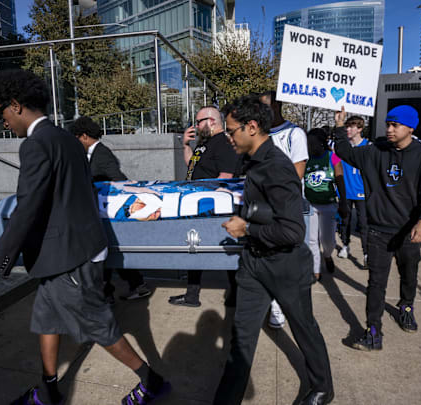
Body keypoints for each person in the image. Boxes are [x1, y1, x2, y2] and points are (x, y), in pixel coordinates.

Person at [0, 70, 169, 405]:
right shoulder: (67, 138)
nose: (3, 122)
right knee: (46, 320)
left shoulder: (36, 145)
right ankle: (49, 390)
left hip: (70, 258)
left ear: (17, 105)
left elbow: (26, 210)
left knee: (99, 327)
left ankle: (152, 381)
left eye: (1, 112)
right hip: (66, 253)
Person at [213, 95, 333, 405]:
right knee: (241, 336)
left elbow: (294, 232)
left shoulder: (278, 167)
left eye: (231, 131)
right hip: (254, 262)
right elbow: (256, 205)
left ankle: (322, 388)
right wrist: (243, 216)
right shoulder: (251, 160)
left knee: (303, 328)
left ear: (251, 127)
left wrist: (247, 228)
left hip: (286, 266)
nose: (229, 138)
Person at [332, 105, 421, 351]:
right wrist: (340, 126)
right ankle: (373, 331)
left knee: (409, 274)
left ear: (410, 128)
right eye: (388, 124)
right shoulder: (375, 152)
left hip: (408, 232)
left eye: (396, 125)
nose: (389, 129)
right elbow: (342, 151)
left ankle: (406, 307)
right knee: (376, 283)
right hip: (377, 231)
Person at [71, 116, 152, 304]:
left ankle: (110, 293)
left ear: (84, 136)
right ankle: (132, 286)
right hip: (100, 211)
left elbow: (118, 178)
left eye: (76, 138)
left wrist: (135, 191)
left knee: (106, 254)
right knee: (111, 254)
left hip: (106, 212)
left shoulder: (101, 153)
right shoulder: (92, 153)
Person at [169, 106, 241, 307]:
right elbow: (192, 167)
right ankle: (192, 295)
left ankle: (234, 294)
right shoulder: (205, 144)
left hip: (210, 207)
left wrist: (206, 202)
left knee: (224, 249)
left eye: (199, 121)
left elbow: (226, 176)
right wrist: (185, 145)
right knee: (194, 247)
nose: (196, 126)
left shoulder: (223, 144)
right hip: (198, 205)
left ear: (212, 121)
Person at [259, 90, 309, 329]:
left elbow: (298, 173)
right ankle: (268, 301)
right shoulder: (259, 134)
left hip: (285, 207)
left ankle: (279, 307)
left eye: (266, 107)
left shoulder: (295, 134)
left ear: (278, 105)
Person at [305, 128, 343, 280]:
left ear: (321, 143)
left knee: (328, 240)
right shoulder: (305, 157)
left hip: (328, 204)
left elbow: (340, 181)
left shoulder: (332, 157)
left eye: (312, 143)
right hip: (310, 204)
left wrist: (344, 203)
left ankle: (327, 255)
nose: (309, 146)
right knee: (312, 239)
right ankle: (316, 270)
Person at [334, 115, 369, 268]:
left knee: (363, 223)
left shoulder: (368, 146)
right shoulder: (342, 147)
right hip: (345, 190)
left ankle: (366, 253)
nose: (348, 129)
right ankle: (345, 245)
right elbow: (334, 162)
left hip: (362, 191)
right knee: (345, 221)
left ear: (360, 129)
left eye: (351, 127)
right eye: (346, 126)